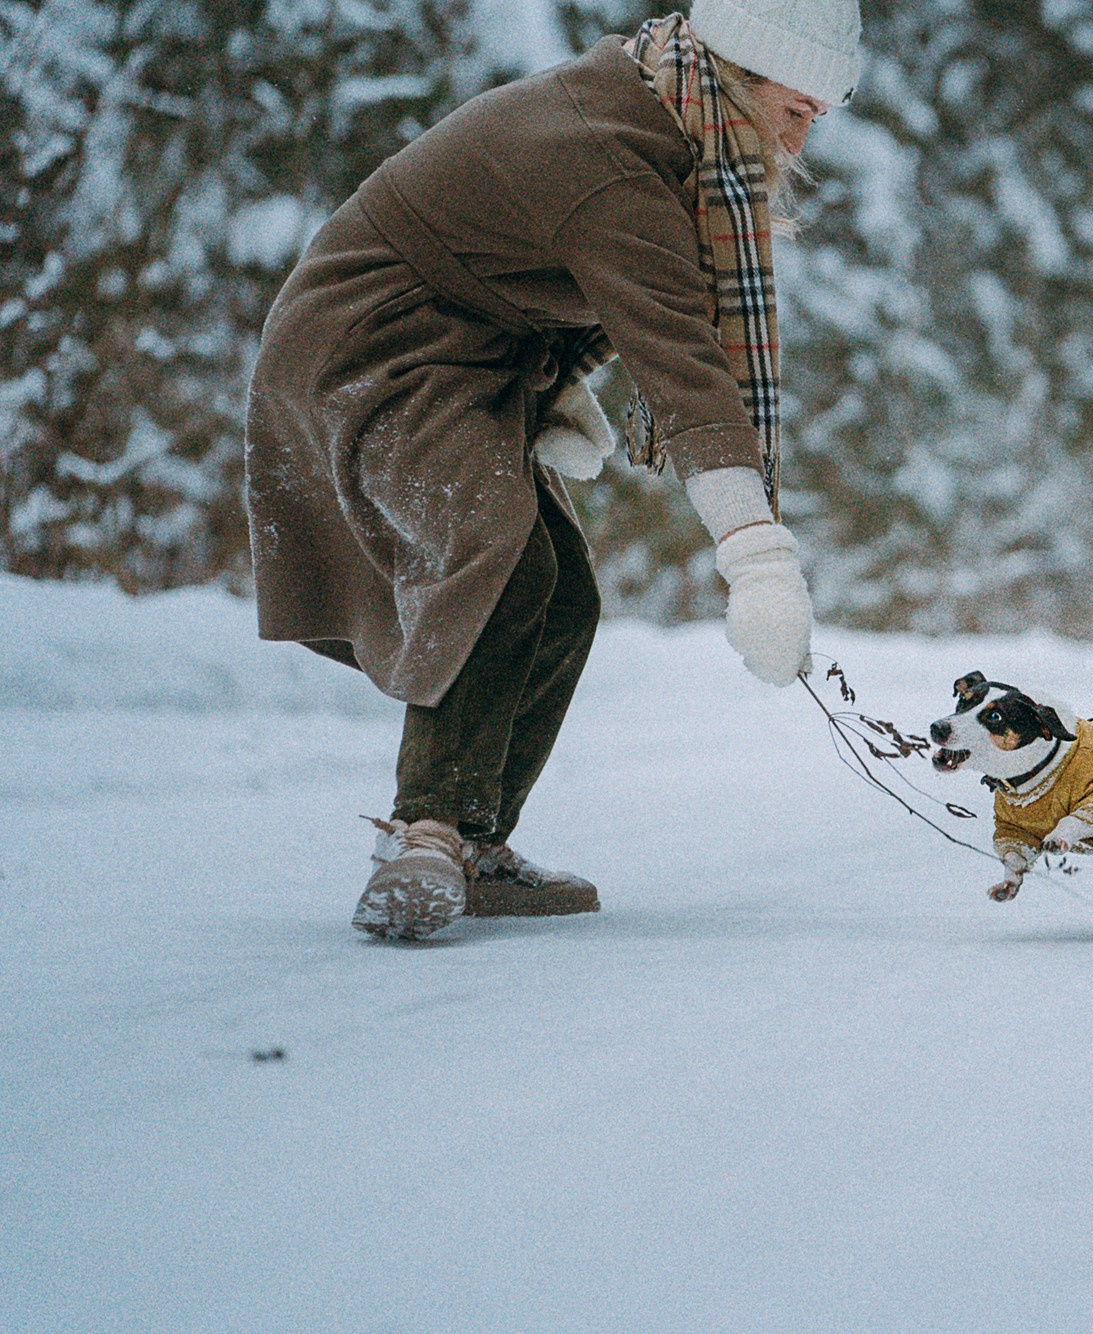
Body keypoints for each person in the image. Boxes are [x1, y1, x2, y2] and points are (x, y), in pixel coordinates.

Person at [244, 0, 862, 940]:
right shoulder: (611, 159)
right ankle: (426, 836)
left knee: (564, 591)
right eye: (797, 104)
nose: (808, 127)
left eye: (825, 108)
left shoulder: (662, 118)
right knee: (502, 563)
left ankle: (479, 845)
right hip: (370, 347)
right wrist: (758, 558)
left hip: (468, 358)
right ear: (739, 72)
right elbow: (682, 364)